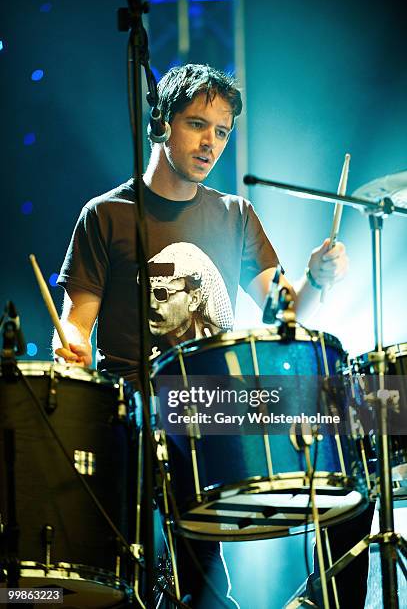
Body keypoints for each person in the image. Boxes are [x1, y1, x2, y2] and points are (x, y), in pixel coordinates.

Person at [53, 64, 348, 607]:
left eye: (222, 131)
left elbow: (282, 309)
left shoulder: (236, 213)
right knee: (152, 577)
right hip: (136, 414)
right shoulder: (106, 215)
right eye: (197, 125)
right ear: (162, 123)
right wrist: (69, 347)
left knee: (349, 423)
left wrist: (315, 279)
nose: (211, 142)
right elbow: (75, 325)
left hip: (210, 409)